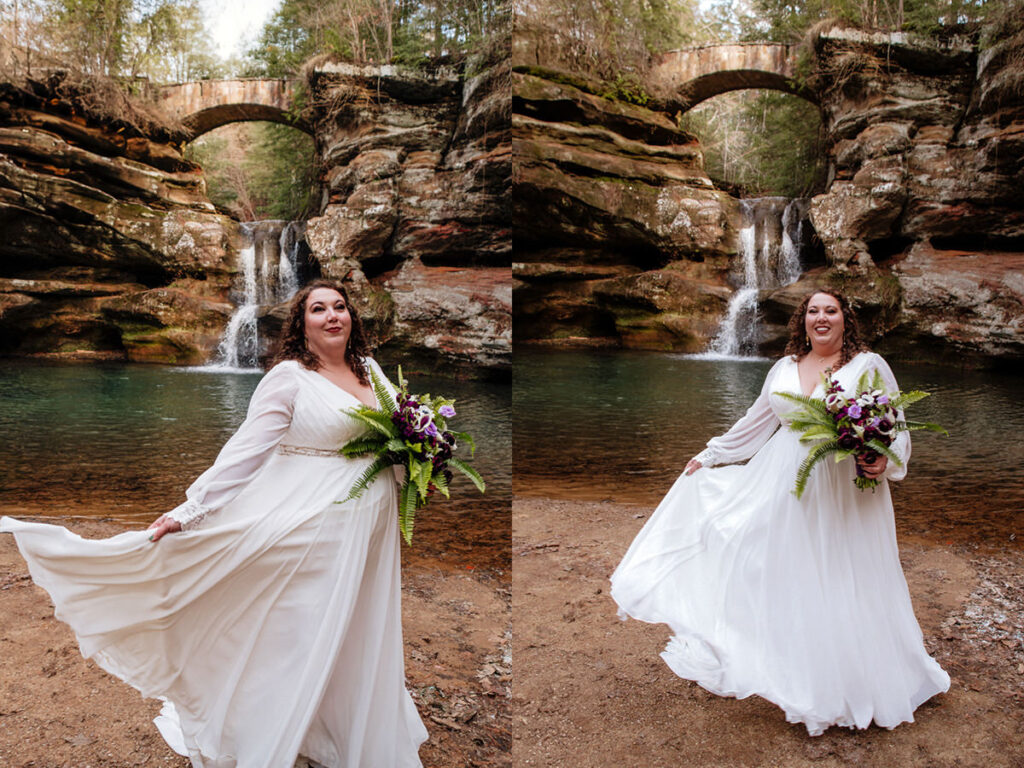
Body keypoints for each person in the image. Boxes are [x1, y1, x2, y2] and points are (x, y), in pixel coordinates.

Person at [0, 279, 428, 767]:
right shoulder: (289, 377)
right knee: (301, 629)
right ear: (301, 324)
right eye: (318, 309)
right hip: (311, 525)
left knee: (354, 627)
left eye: (340, 307)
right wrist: (189, 511)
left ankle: (342, 723)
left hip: (369, 529)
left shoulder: (370, 371)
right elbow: (244, 454)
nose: (333, 316)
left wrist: (424, 462)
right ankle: (271, 723)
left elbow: (407, 429)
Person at [610, 290, 949, 736]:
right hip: (784, 479)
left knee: (848, 572)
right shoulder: (784, 368)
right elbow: (756, 422)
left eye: (831, 311)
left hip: (844, 485)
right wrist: (711, 456)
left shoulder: (868, 365)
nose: (821, 318)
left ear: (846, 319)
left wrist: (884, 458)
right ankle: (789, 665)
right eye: (813, 311)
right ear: (802, 320)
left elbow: (895, 425)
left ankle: (858, 678)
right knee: (777, 564)